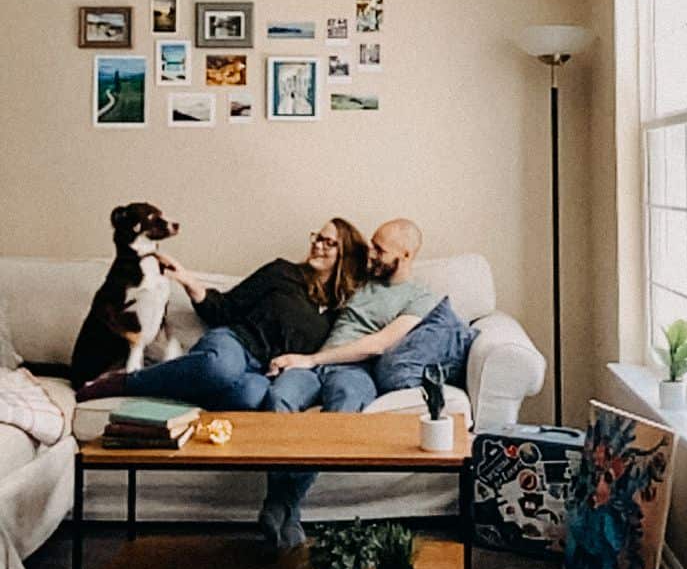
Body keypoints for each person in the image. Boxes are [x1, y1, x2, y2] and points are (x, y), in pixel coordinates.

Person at [256, 217, 438, 551]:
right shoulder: (359, 277)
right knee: (279, 397)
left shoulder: (420, 298)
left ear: (406, 255)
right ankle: (288, 511)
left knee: (344, 408)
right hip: (313, 361)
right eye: (371, 244)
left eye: (380, 249)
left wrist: (309, 360)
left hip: (352, 370)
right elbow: (325, 260)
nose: (371, 253)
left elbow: (379, 344)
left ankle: (281, 504)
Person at [73, 218, 367, 410]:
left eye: (329, 242)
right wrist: (187, 280)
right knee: (220, 369)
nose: (317, 245)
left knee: (249, 399)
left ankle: (176, 397)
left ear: (346, 255)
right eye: (317, 237)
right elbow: (224, 307)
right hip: (234, 344)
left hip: (264, 372)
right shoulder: (282, 271)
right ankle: (122, 382)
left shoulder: (344, 309)